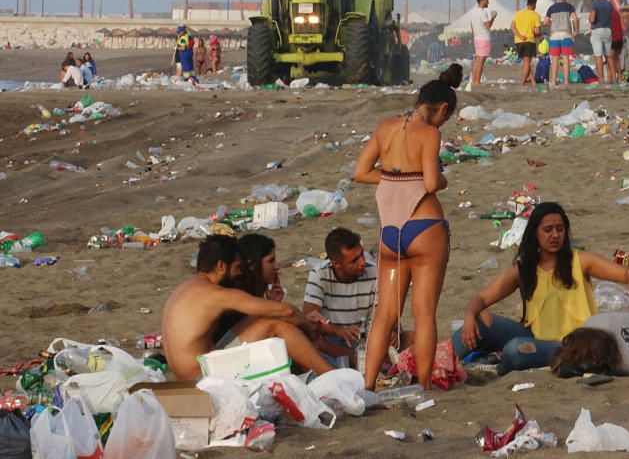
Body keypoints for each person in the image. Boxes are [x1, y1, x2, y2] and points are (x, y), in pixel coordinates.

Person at [353, 64, 463, 390]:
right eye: (447, 117)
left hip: (391, 233)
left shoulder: (385, 127)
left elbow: (360, 172)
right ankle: (425, 386)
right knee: (424, 312)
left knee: (384, 315)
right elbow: (430, 181)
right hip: (425, 227)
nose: (444, 123)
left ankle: (368, 385)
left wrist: (394, 179)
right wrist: (440, 179)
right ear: (442, 108)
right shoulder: (430, 134)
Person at [453, 202, 629, 375]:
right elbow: (481, 299)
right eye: (548, 230)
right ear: (535, 233)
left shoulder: (580, 260)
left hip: (574, 343)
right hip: (535, 337)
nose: (555, 235)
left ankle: (497, 368)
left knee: (515, 349)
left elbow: (623, 273)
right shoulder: (522, 268)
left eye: (560, 229)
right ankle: (437, 363)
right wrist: (470, 316)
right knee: (481, 322)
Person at [162, 235, 331, 381]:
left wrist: (276, 307)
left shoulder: (186, 288)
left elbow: (261, 314)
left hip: (188, 374)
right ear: (221, 266)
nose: (239, 273)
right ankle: (333, 375)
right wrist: (310, 329)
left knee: (266, 317)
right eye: (236, 267)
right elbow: (288, 311)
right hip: (202, 377)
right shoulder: (216, 294)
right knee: (276, 325)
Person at [302, 227, 380, 362]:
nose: (362, 262)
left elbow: (383, 312)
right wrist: (337, 330)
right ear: (337, 265)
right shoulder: (320, 274)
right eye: (354, 260)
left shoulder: (374, 272)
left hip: (365, 339)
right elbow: (310, 320)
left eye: (361, 254)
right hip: (332, 341)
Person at [544, 0, 579, 87]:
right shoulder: (569, 7)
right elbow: (575, 18)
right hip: (566, 35)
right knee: (565, 59)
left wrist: (552, 22)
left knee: (554, 60)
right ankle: (566, 82)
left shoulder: (552, 8)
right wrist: (576, 30)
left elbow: (545, 22)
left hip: (554, 35)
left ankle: (554, 82)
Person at [511, 0, 542, 86]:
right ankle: (522, 82)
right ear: (534, 4)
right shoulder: (536, 15)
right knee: (527, 63)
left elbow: (512, 27)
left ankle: (533, 82)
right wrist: (537, 36)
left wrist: (519, 36)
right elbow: (537, 31)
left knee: (526, 62)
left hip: (518, 41)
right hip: (529, 41)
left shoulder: (518, 13)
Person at [588, 0, 614, 82]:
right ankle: (614, 78)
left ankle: (601, 79)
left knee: (598, 56)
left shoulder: (594, 3)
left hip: (597, 30)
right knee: (609, 56)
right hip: (608, 30)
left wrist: (590, 19)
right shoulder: (609, 4)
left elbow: (592, 19)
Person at [469, 0, 496, 88]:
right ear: (483, 0)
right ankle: (477, 81)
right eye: (487, 0)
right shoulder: (482, 12)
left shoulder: (473, 12)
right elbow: (488, 26)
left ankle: (474, 81)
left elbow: (472, 27)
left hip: (477, 37)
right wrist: (493, 18)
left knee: (477, 61)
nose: (488, 2)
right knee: (481, 61)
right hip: (483, 38)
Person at [610, 5, 625, 82]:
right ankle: (619, 77)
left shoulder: (609, 14)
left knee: (611, 59)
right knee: (617, 58)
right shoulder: (616, 13)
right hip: (620, 38)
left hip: (613, 38)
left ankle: (614, 78)